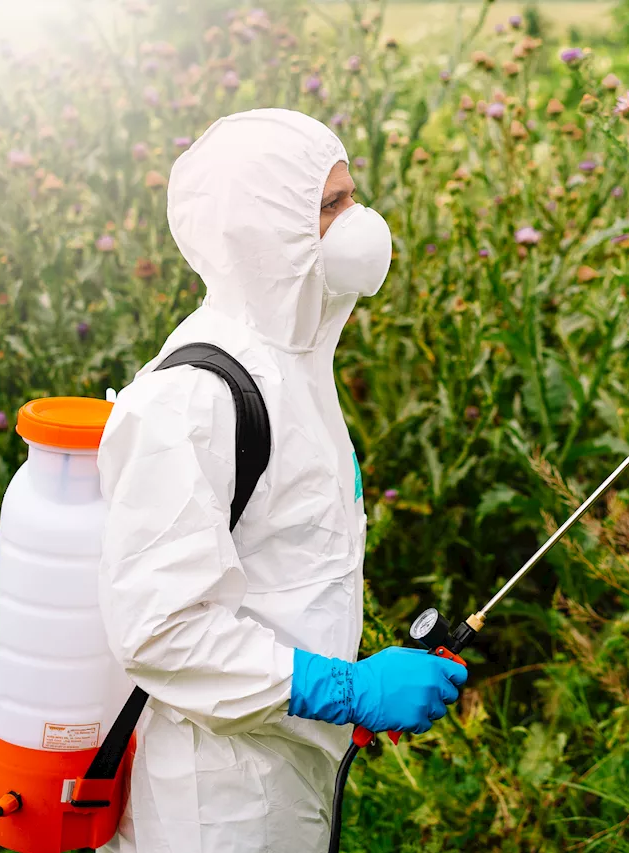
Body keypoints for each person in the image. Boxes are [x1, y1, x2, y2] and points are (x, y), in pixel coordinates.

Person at [96, 108, 467, 852]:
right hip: (217, 801)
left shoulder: (293, 364)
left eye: (352, 196)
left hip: (287, 769)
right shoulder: (191, 399)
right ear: (264, 230)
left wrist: (349, 691)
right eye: (330, 206)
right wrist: (345, 688)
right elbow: (162, 630)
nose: (359, 221)